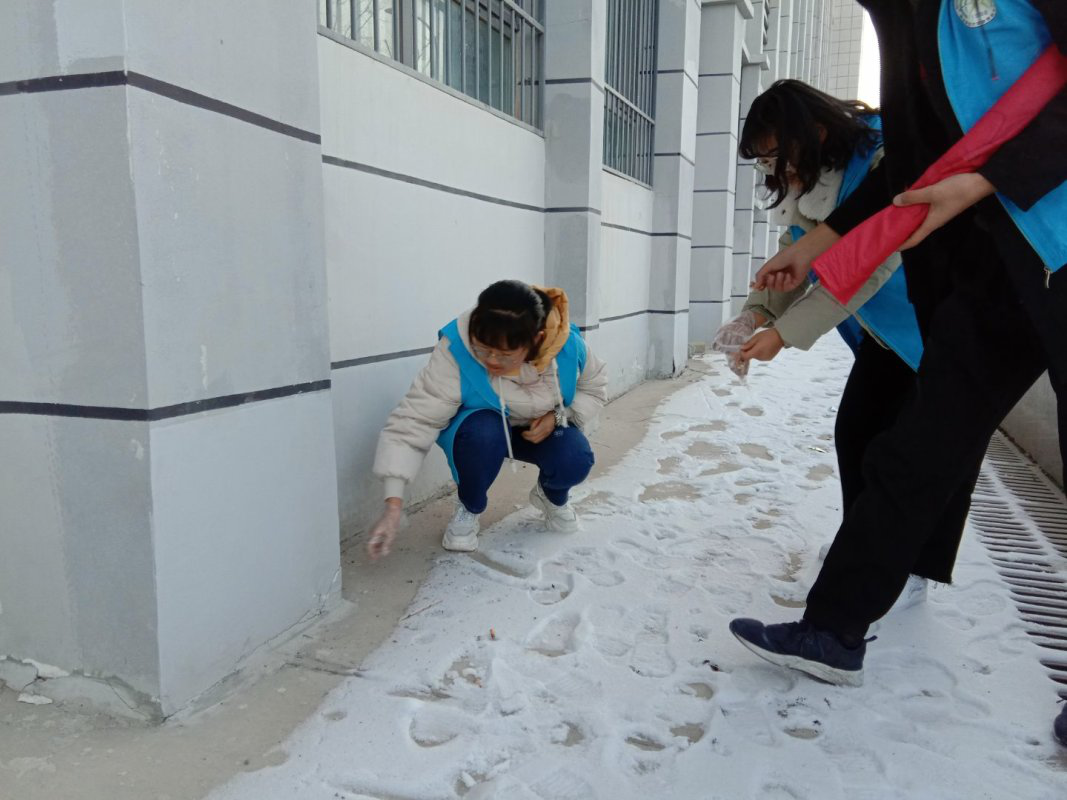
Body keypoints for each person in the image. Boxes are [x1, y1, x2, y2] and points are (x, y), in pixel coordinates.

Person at [728, 0, 1067, 745]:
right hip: (989, 267)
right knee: (914, 447)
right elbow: (912, 173)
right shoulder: (904, 18)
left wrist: (987, 180)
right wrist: (815, 245)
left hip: (1052, 229)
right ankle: (832, 629)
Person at [713, 81, 952, 604]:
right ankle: (865, 547)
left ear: (815, 132)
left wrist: (783, 334)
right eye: (763, 161)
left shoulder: (885, 160)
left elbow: (868, 266)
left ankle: (909, 566)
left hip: (936, 327)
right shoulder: (814, 175)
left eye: (775, 155)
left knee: (919, 453)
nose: (773, 171)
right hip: (885, 335)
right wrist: (755, 314)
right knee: (857, 434)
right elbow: (797, 251)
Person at [365, 280, 608, 559]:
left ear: (537, 339)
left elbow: (594, 387)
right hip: (481, 431)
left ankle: (551, 496)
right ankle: (469, 506)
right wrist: (393, 504)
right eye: (482, 349)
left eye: (504, 354)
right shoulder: (456, 350)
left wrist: (557, 417)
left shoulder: (569, 348)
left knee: (575, 455)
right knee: (482, 433)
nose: (491, 360)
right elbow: (415, 419)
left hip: (539, 429)